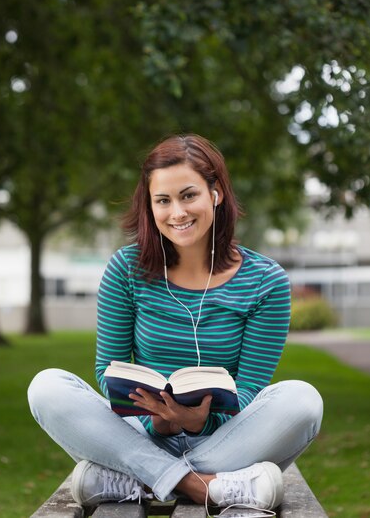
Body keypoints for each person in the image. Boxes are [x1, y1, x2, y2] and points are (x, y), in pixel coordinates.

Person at [28, 134, 323, 515]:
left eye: (188, 195)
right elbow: (107, 369)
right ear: (150, 206)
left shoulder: (266, 281)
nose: (177, 213)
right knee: (47, 386)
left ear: (215, 193)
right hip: (141, 433)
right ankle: (205, 487)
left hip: (224, 438)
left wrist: (198, 422)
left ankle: (133, 481)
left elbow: (249, 389)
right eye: (162, 200)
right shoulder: (127, 268)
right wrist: (159, 423)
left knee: (303, 399)